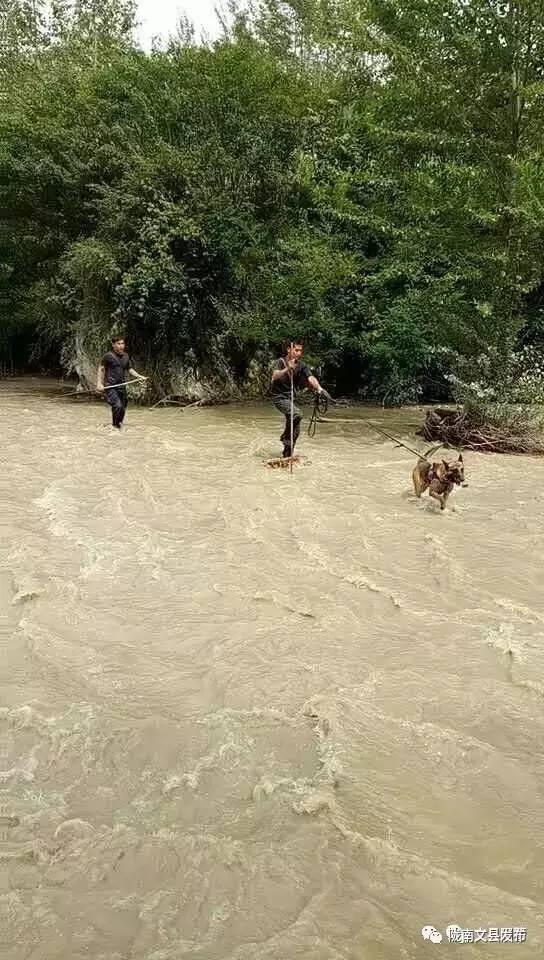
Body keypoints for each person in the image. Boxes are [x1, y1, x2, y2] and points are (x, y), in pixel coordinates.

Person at [271, 339, 326, 458]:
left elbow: (311, 378)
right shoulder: (280, 362)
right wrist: (287, 368)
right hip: (279, 398)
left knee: (296, 429)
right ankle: (285, 438)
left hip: (291, 399)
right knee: (297, 414)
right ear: (289, 349)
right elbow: (274, 376)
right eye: (296, 350)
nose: (299, 353)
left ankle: (287, 453)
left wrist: (320, 389)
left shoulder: (302, 365)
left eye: (300, 351)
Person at [96, 336, 147, 429]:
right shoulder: (108, 356)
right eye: (118, 344)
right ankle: (115, 427)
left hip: (121, 386)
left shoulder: (126, 356)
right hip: (110, 386)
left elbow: (129, 369)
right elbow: (101, 368)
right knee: (117, 406)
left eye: (122, 343)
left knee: (123, 408)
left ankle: (118, 426)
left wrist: (139, 376)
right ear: (113, 345)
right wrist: (99, 383)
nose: (121, 346)